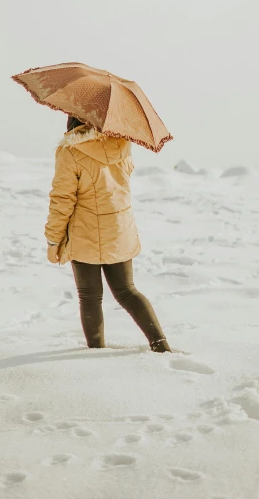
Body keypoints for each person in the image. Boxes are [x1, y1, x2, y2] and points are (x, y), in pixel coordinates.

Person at [45, 115, 172, 353]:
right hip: (119, 226)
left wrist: (54, 240)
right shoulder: (122, 143)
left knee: (90, 296)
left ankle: (96, 352)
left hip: (86, 231)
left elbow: (62, 199)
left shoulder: (70, 151)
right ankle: (160, 344)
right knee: (127, 291)